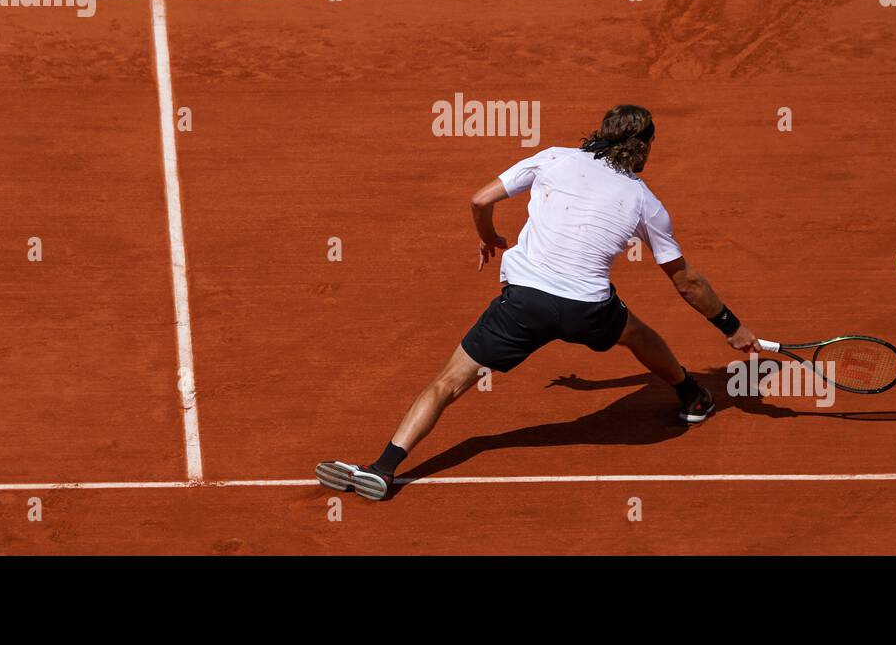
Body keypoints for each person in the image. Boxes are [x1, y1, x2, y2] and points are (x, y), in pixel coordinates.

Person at [316, 104, 758, 501]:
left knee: (447, 383)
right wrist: (730, 326)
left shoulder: (554, 158)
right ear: (643, 146)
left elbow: (479, 199)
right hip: (589, 310)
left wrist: (488, 238)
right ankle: (692, 395)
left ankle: (383, 469)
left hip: (523, 306)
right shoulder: (645, 201)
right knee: (637, 334)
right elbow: (687, 282)